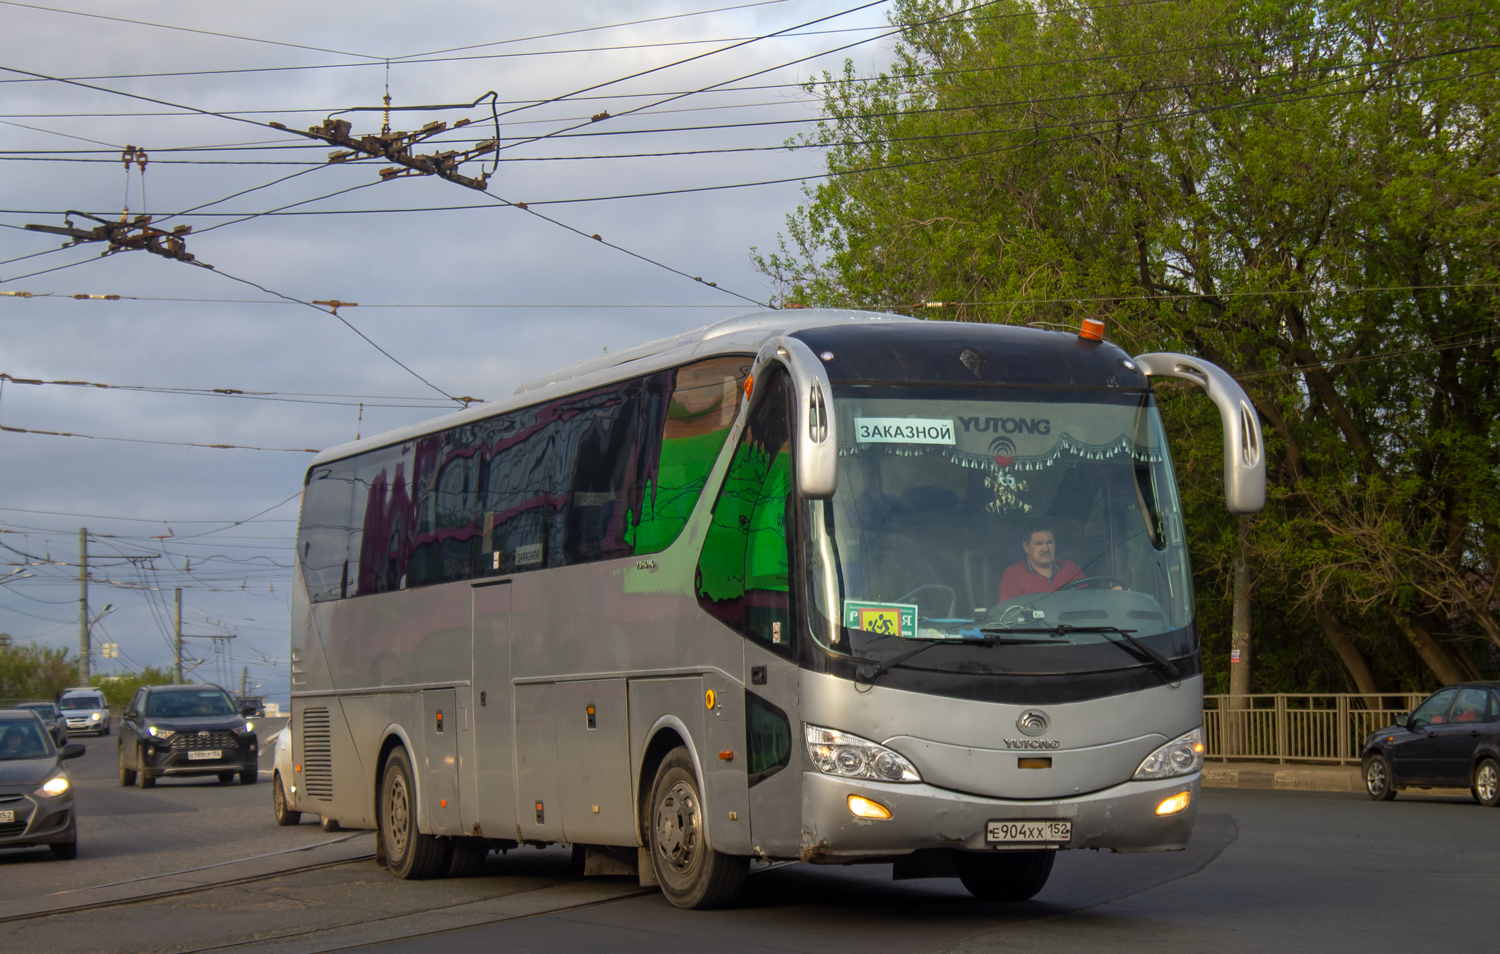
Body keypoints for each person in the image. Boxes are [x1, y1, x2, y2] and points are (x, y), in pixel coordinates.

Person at [998, 525, 1083, 601]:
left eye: (1049, 542)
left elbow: (1087, 601)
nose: (1045, 549)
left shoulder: (1071, 569)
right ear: (1026, 547)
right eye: (1039, 544)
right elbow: (1010, 612)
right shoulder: (1013, 573)